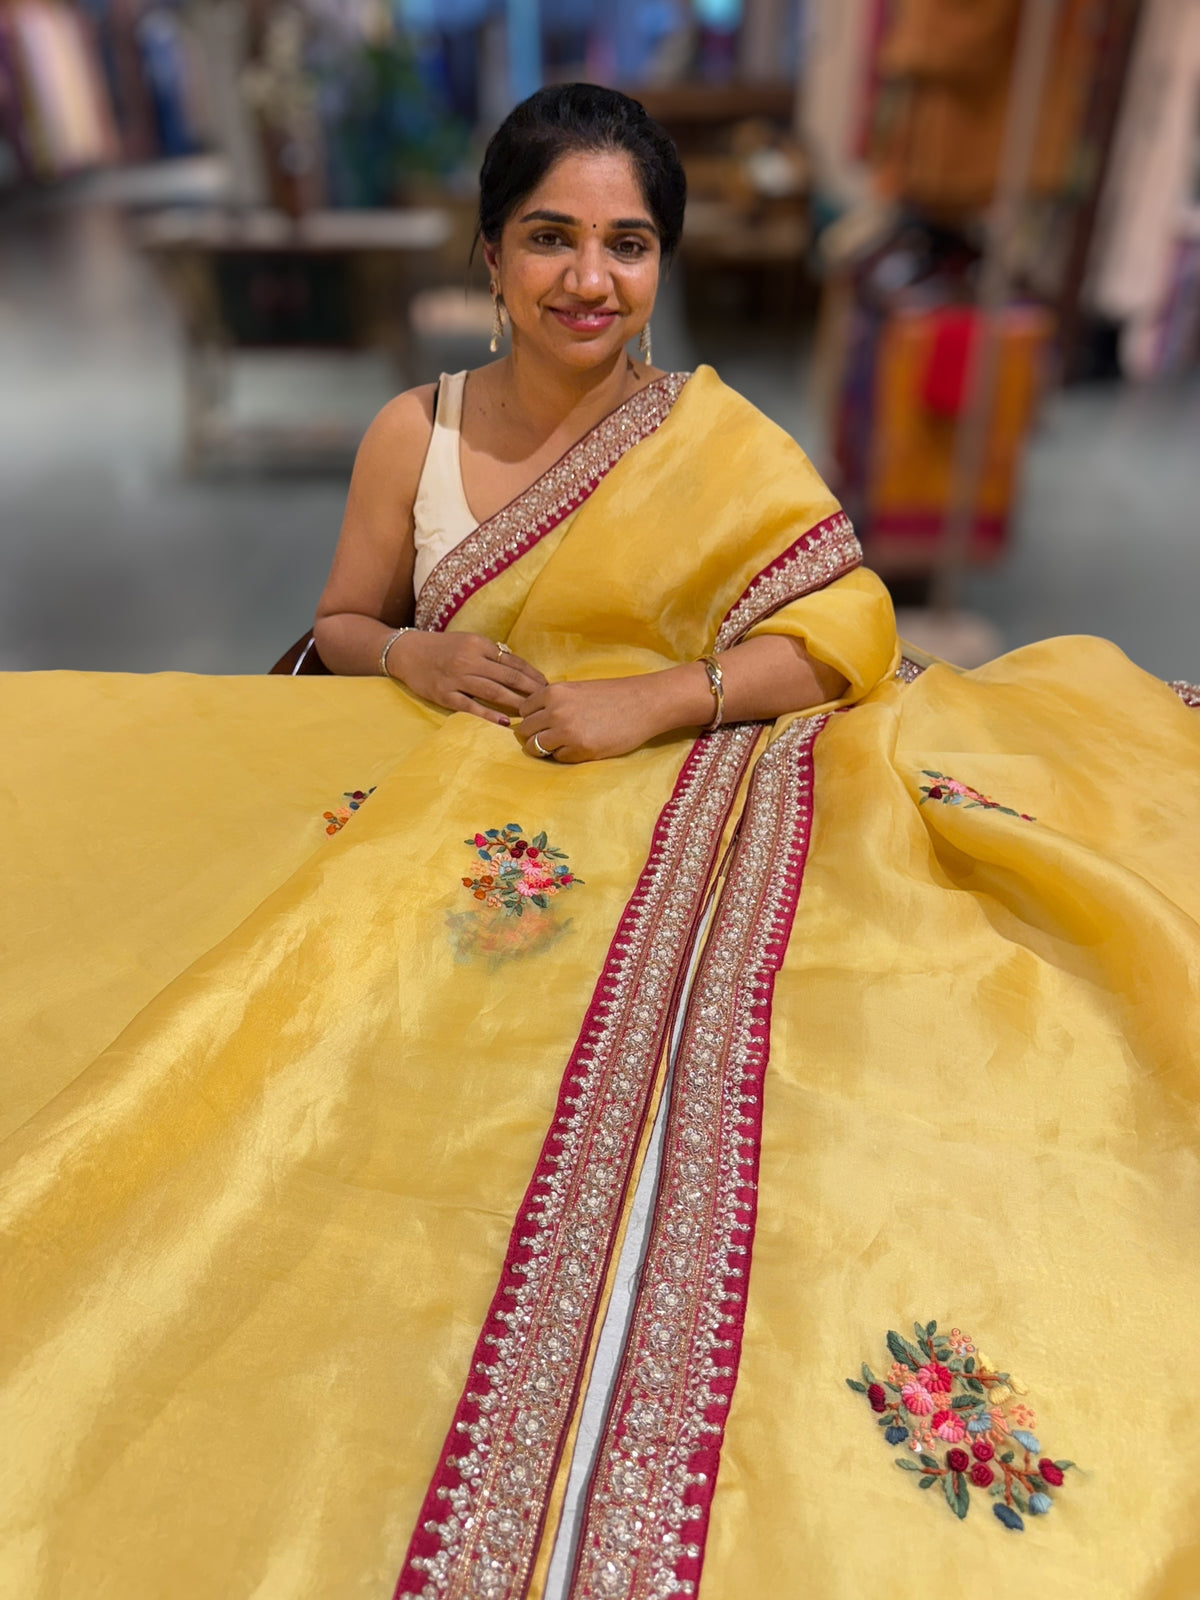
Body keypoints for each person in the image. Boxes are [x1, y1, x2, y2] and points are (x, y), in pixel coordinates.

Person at [1, 82, 1199, 1600]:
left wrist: (658, 701)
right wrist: (412, 659)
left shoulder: (712, 436)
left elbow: (847, 621)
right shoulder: (412, 435)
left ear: (660, 265)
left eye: (627, 244)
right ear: (492, 253)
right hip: (464, 825)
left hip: (684, 790)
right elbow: (341, 622)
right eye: (552, 237)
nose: (590, 278)